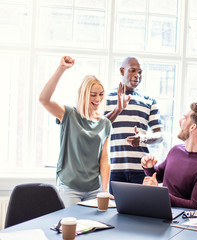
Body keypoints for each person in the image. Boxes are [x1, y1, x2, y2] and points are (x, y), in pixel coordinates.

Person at [39, 56, 112, 207]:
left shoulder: (105, 123)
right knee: (72, 229)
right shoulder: (69, 114)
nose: (98, 99)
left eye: (101, 94)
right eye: (93, 94)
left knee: (93, 228)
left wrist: (105, 190)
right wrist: (61, 69)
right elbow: (44, 99)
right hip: (70, 188)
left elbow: (104, 159)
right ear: (83, 94)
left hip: (94, 189)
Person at [141, 102, 197, 210]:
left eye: (184, 118)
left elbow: (196, 205)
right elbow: (158, 176)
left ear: (193, 127)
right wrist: (149, 167)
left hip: (183, 222)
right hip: (161, 212)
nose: (179, 121)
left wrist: (160, 194)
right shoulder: (175, 150)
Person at [105, 57, 163, 192]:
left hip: (141, 170)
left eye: (140, 72)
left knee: (139, 210)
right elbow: (98, 129)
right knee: (114, 210)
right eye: (132, 71)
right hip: (114, 170)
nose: (137, 75)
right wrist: (117, 109)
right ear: (122, 71)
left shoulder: (149, 101)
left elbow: (160, 135)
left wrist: (143, 138)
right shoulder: (107, 99)